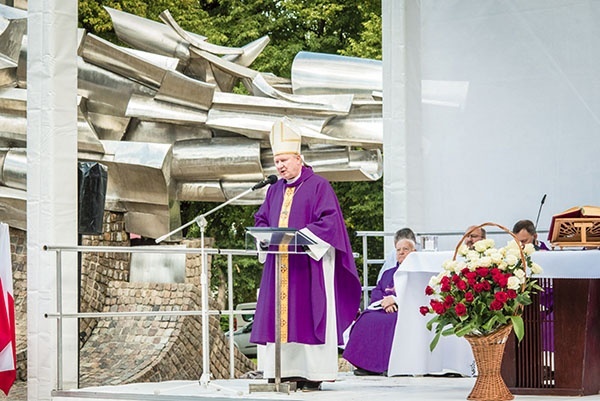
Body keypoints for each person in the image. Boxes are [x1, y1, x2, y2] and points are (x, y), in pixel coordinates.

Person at [250, 118, 362, 391]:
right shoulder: (274, 189)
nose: (280, 166)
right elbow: (262, 219)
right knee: (278, 317)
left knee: (308, 313)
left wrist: (302, 237)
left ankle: (311, 373)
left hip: (308, 267)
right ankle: (281, 371)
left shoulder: (319, 186)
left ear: (299, 158)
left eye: (284, 160)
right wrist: (264, 235)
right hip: (279, 268)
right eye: (277, 161)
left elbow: (330, 222)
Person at [342, 238, 416, 376]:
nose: (401, 253)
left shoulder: (417, 274)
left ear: (414, 252)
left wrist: (395, 301)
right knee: (365, 319)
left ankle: (391, 366)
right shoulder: (389, 273)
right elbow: (377, 290)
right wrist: (385, 302)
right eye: (398, 250)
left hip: (403, 310)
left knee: (390, 322)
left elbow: (416, 294)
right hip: (383, 308)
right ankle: (366, 365)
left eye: (405, 249)